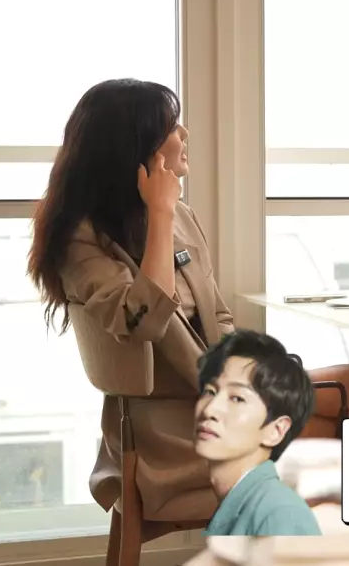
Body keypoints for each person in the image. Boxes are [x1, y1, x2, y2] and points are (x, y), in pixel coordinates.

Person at [28, 78, 237, 528]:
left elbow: (219, 315)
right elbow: (144, 321)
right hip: (169, 436)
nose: (184, 134)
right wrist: (160, 213)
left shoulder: (182, 216)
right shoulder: (81, 237)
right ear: (136, 147)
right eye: (172, 127)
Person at [195, 330, 321, 536]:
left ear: (276, 430)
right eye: (210, 392)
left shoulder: (279, 515)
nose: (210, 410)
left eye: (237, 398)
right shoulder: (244, 504)